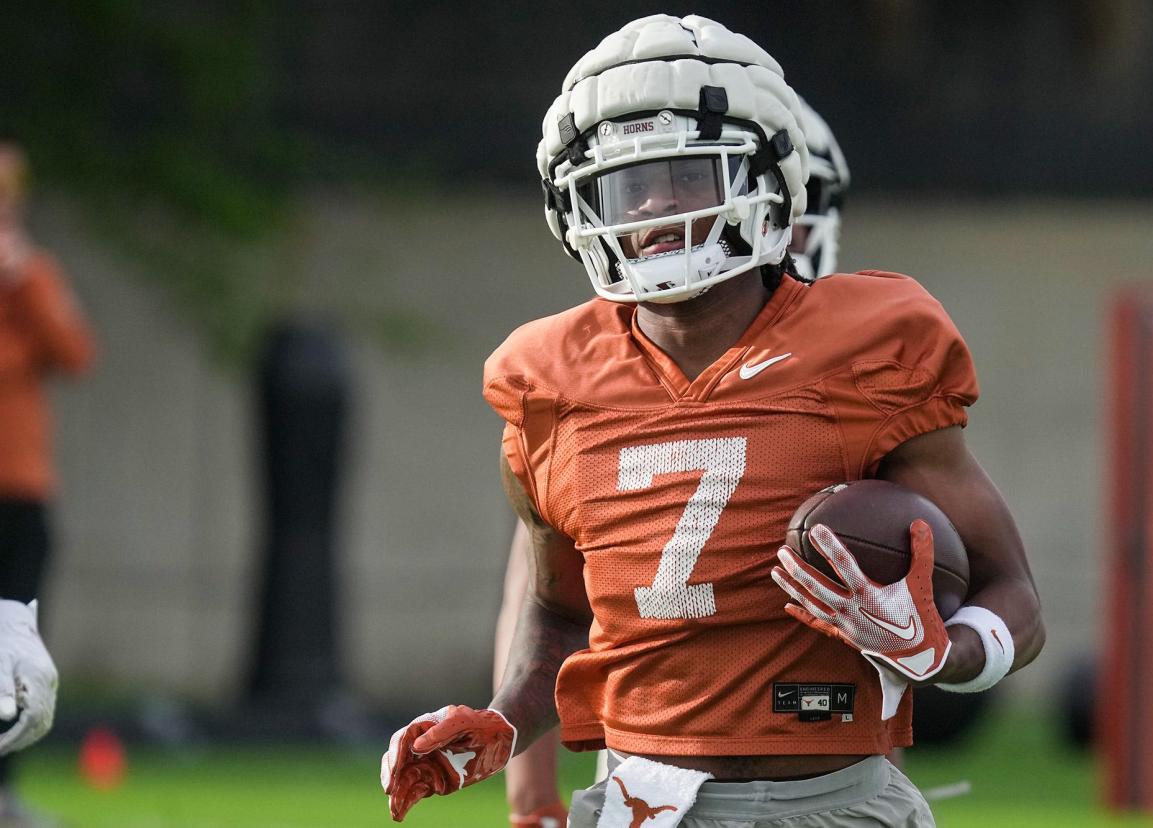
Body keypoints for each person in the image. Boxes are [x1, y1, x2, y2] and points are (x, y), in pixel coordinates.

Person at [382, 15, 1043, 827]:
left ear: (767, 179)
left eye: (690, 174)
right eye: (630, 184)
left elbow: (1014, 595)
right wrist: (507, 721)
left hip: (834, 803)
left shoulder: (872, 342)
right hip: (635, 802)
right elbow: (561, 614)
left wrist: (946, 651)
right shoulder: (547, 379)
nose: (658, 205)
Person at [492, 93, 853, 828]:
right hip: (657, 767)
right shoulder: (611, 374)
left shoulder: (857, 361)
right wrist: (531, 802)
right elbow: (542, 603)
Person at [0, 141, 94, 822]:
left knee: (17, 649)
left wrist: (24, 277)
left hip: (19, 490)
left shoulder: (31, 275)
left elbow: (73, 351)